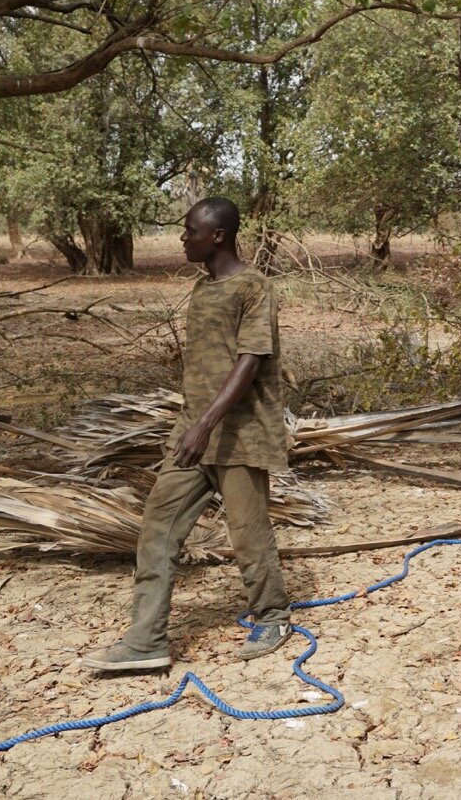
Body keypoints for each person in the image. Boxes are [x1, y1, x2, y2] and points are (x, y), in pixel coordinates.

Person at [83, 197, 292, 670]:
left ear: (217, 236)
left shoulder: (254, 287)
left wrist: (205, 424)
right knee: (158, 525)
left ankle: (273, 614)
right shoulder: (203, 288)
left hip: (240, 433)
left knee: (247, 532)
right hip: (193, 432)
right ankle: (146, 641)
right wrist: (192, 424)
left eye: (190, 231)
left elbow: (250, 360)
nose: (183, 238)